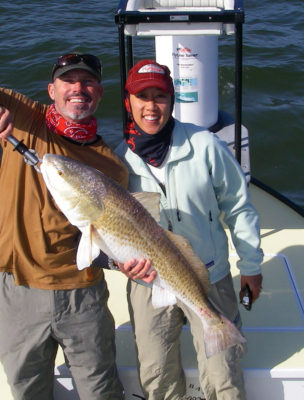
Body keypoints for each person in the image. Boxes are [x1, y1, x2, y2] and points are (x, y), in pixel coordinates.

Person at [0, 53, 127, 400]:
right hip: (18, 292)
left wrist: (123, 262)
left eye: (87, 82)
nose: (78, 89)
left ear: (99, 93)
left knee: (101, 392)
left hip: (82, 298)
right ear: (51, 90)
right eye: (68, 81)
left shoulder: (110, 167)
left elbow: (97, 242)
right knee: (27, 391)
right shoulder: (26, 117)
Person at [115, 59, 264, 400]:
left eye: (160, 97)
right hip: (149, 280)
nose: (151, 106)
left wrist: (251, 266)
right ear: (128, 102)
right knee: (156, 377)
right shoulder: (120, 160)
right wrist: (120, 263)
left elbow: (238, 206)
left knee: (224, 376)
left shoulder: (205, 145)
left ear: (172, 101)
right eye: (142, 97)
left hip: (209, 274)